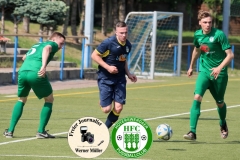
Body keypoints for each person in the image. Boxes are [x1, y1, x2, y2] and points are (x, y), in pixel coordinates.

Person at [3, 32, 66, 138]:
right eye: (61, 43)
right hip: (36, 72)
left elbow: (24, 57)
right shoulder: (52, 44)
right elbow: (47, 49)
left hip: (23, 71)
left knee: (21, 99)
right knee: (49, 99)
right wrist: (43, 66)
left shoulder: (37, 45)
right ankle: (41, 131)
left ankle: (10, 131)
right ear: (54, 39)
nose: (61, 46)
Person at [183, 10, 234, 141]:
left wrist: (219, 68)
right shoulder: (198, 35)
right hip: (204, 71)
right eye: (205, 22)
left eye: (210, 22)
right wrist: (191, 67)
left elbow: (230, 55)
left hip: (220, 74)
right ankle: (192, 132)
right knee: (197, 96)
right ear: (200, 23)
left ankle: (222, 123)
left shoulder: (219, 35)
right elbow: (196, 49)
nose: (208, 25)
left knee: (220, 103)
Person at [91, 21, 137, 129]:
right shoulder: (108, 43)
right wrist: (108, 67)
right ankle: (103, 101)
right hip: (105, 78)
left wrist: (129, 74)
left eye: (125, 32)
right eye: (121, 33)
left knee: (119, 108)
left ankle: (103, 129)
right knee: (106, 109)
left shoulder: (128, 45)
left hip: (120, 78)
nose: (124, 35)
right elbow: (94, 55)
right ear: (116, 32)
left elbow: (123, 59)